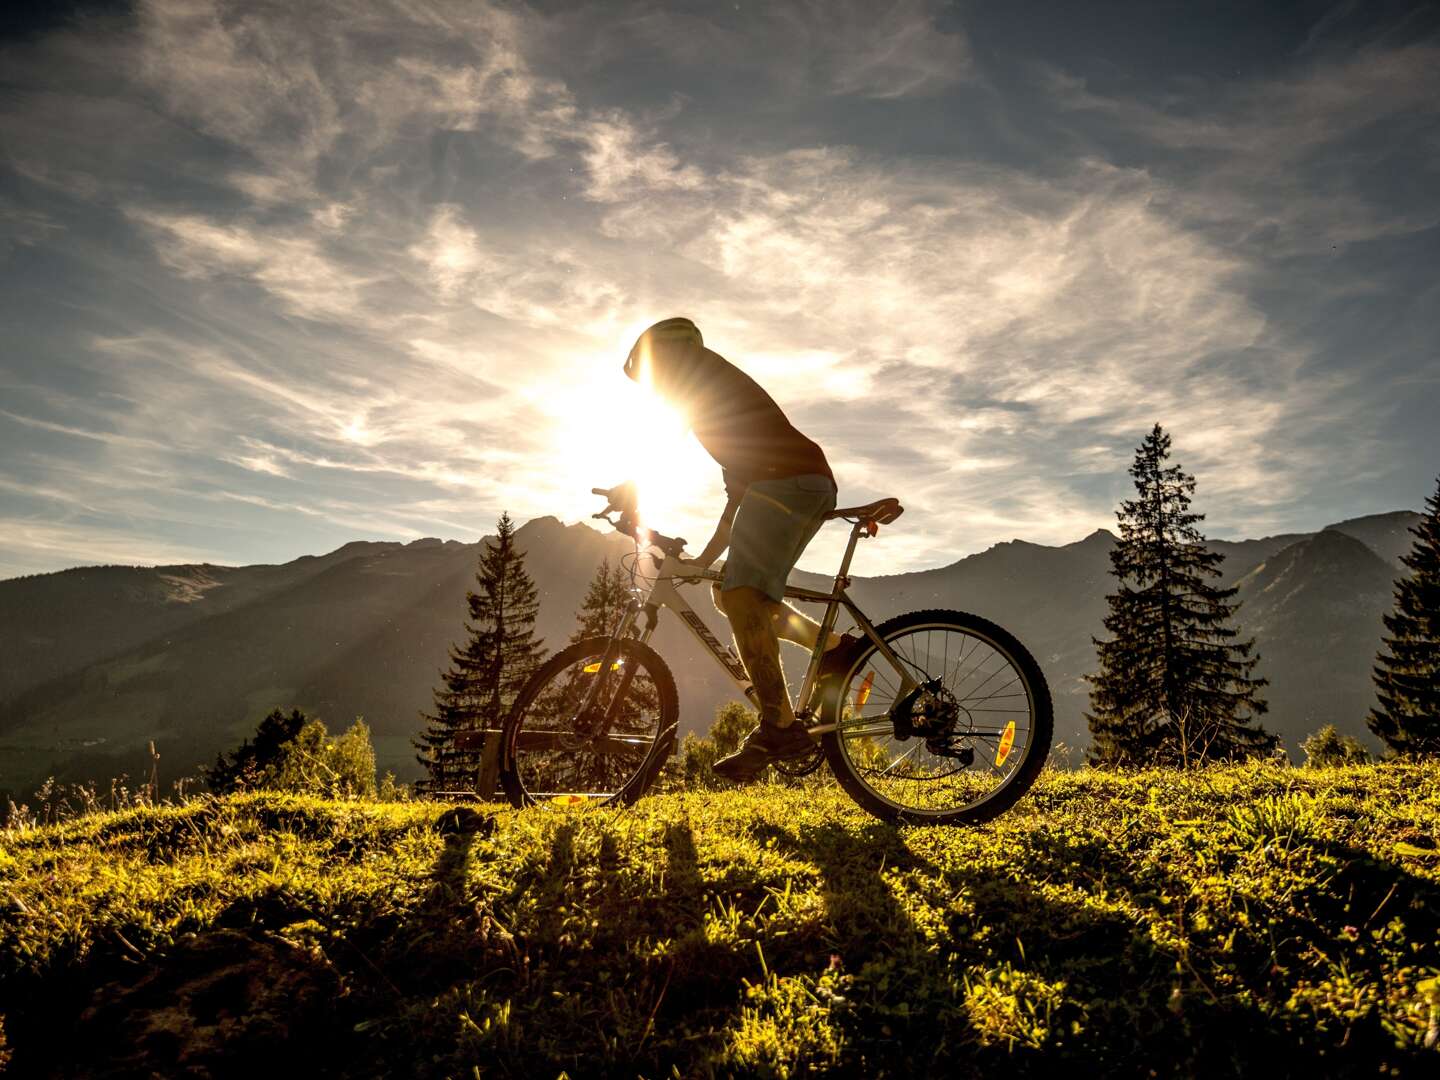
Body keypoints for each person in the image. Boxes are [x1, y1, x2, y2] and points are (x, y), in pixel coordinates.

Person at [624, 317, 848, 781]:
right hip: (798, 483)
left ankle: (779, 726)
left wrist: (632, 487)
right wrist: (704, 561)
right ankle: (832, 648)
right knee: (730, 590)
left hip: (791, 483)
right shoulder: (728, 412)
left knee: (742, 595)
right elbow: (738, 501)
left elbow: (665, 443)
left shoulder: (700, 377)